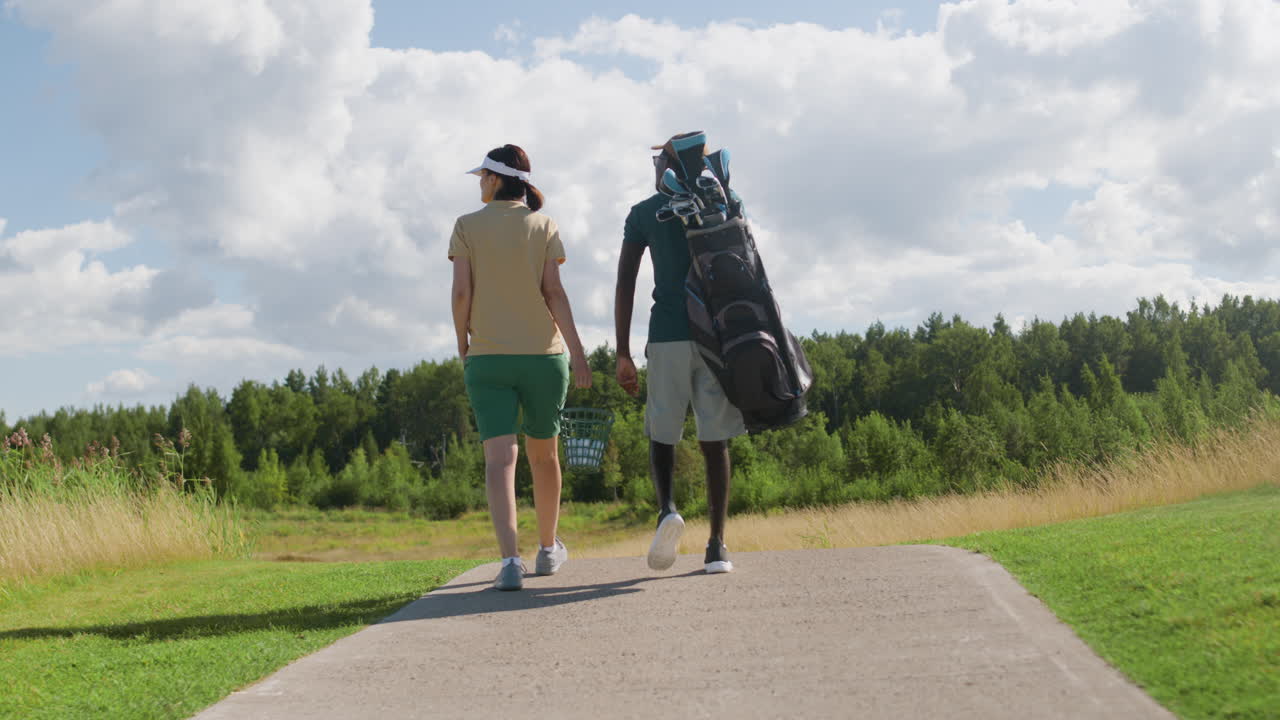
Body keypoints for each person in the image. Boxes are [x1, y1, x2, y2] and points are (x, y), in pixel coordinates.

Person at [450, 144, 592, 591]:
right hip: (544, 359)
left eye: (481, 177)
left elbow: (460, 295)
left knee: (500, 459)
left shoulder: (466, 226)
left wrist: (462, 344)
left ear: (495, 179)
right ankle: (548, 551)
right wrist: (579, 353)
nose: (478, 184)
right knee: (544, 455)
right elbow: (555, 293)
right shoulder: (543, 224)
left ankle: (510, 563)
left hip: (488, 358)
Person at [614, 133, 745, 575]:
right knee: (715, 440)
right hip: (718, 337)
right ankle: (717, 547)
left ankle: (667, 509)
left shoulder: (646, 214)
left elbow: (625, 283)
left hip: (667, 334)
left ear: (667, 168)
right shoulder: (724, 202)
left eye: (658, 162)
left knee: (662, 433)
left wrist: (622, 352)